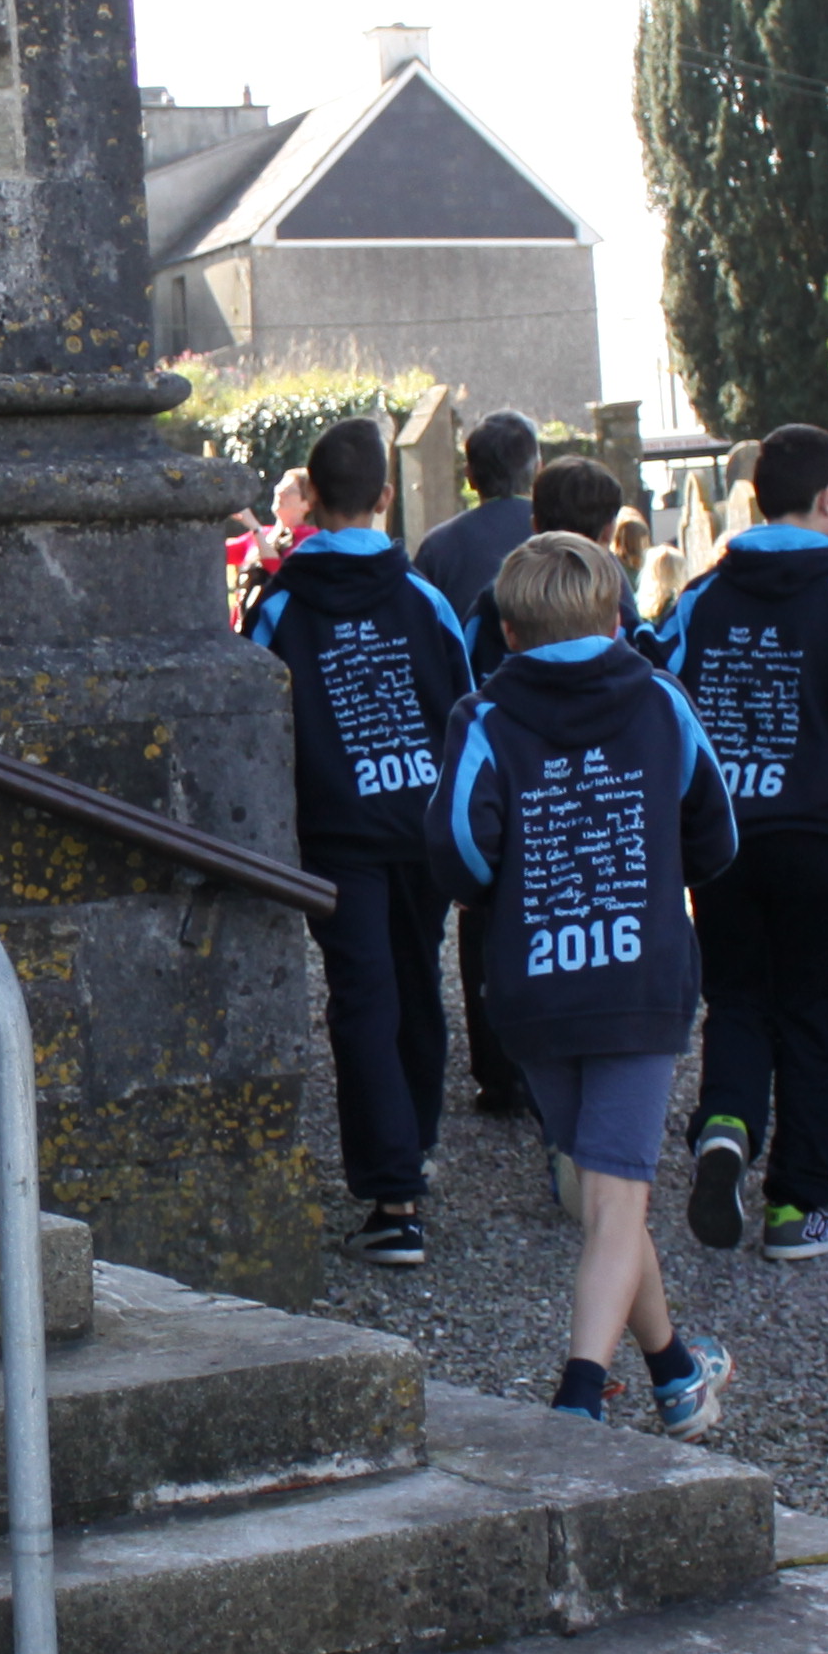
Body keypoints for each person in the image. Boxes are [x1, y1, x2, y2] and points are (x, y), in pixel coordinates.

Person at [437, 532, 736, 1430]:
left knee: (605, 1191)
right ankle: (577, 1400)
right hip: (639, 982)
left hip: (536, 986)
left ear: (509, 632)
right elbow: (717, 832)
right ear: (614, 620)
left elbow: (458, 847)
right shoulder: (660, 701)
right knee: (614, 1200)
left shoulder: (485, 717)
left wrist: (501, 893)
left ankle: (676, 1375)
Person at [650, 421, 828, 1263]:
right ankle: (799, 1205)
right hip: (824, 831)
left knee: (738, 996)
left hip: (727, 838)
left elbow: (654, 685)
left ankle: (726, 1126)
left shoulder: (703, 596)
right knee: (816, 1010)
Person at [249, 415, 473, 1265]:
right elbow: (466, 711)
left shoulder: (279, 607)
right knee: (417, 983)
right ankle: (414, 1144)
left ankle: (392, 1192)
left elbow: (252, 722)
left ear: (309, 497)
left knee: (362, 997)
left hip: (335, 828)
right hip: (418, 826)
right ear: (385, 495)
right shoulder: (425, 603)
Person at [450, 448, 633, 1118]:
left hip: (517, 783)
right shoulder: (616, 597)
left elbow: (464, 672)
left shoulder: (496, 595)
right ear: (609, 531)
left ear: (532, 516)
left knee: (496, 929)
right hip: (603, 787)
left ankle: (502, 1070)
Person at [410, 410, 541, 615]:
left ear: (469, 476)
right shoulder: (565, 534)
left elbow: (418, 623)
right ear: (538, 469)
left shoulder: (437, 547)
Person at [227, 467, 309, 628]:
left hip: (279, 631)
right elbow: (217, 553)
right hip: (243, 630)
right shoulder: (261, 534)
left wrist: (255, 527)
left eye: (289, 491)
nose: (280, 492)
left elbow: (279, 572)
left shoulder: (310, 539)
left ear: (307, 504)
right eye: (280, 487)